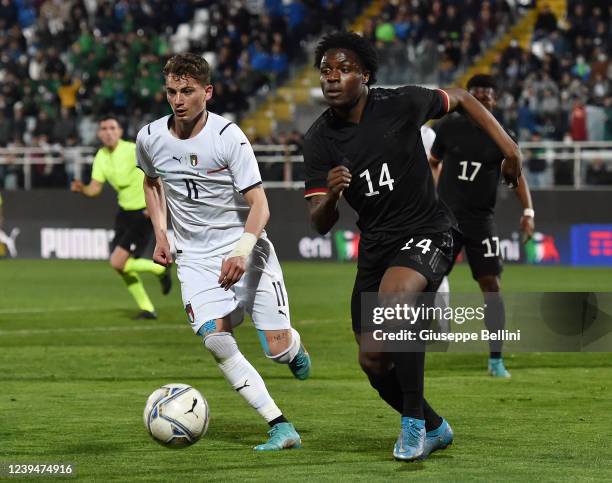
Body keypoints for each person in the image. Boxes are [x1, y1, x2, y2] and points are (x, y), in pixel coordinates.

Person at [303, 32, 521, 461]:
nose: (332, 78)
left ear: (364, 75)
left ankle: (413, 427)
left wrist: (509, 148)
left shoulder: (400, 102)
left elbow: (461, 97)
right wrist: (331, 196)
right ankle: (436, 426)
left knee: (396, 298)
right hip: (377, 243)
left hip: (429, 227)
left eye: (342, 69)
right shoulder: (318, 141)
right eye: (325, 71)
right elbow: (320, 223)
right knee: (372, 361)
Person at [137, 53, 310, 451]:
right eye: (171, 91)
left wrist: (241, 252)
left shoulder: (227, 137)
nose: (178, 100)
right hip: (194, 259)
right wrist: (161, 234)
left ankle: (293, 347)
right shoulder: (149, 137)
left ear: (207, 92)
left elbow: (261, 206)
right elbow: (150, 183)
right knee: (216, 341)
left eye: (187, 91)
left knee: (278, 350)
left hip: (244, 248)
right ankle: (280, 426)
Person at [429, 74, 535, 378]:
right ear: (468, 98)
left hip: (480, 220)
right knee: (425, 280)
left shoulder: (502, 134)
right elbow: (433, 161)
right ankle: (412, 346)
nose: (483, 98)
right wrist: (432, 193)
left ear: (495, 99)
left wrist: (527, 210)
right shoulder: (448, 126)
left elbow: (516, 176)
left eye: (488, 94)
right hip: (446, 218)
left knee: (491, 287)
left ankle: (496, 359)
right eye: (477, 94)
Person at [71, 116, 171, 319]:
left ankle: (160, 270)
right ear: (99, 133)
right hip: (124, 213)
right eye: (104, 128)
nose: (108, 132)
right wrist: (82, 189)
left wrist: (156, 205)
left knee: (117, 262)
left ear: (120, 131)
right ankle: (147, 308)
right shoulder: (101, 155)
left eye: (112, 128)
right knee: (121, 266)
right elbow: (95, 189)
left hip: (143, 211)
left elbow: (158, 175)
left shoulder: (133, 149)